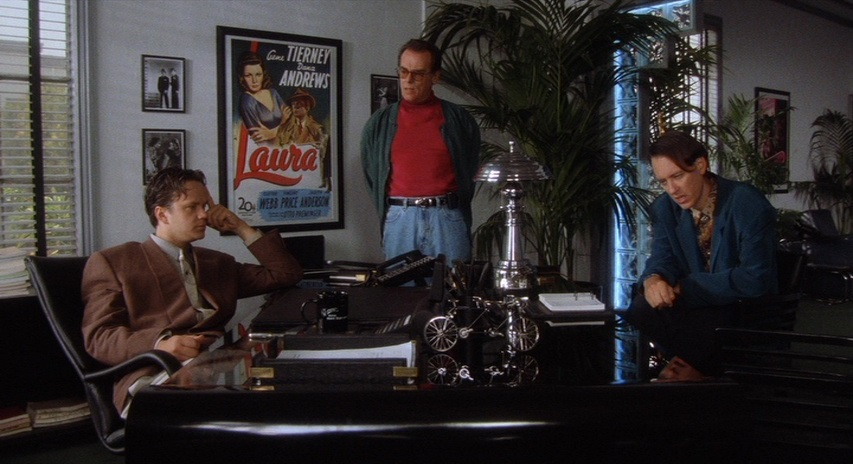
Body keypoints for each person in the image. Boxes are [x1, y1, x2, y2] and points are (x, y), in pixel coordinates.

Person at [81, 167, 303, 416]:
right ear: (162, 214)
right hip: (158, 377)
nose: (204, 215)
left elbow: (285, 274)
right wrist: (160, 343)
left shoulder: (217, 263)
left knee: (291, 396)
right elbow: (99, 338)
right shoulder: (115, 262)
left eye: (205, 206)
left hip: (219, 369)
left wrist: (240, 227)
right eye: (191, 207)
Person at [622, 130, 778, 381]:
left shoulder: (746, 202)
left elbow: (754, 278)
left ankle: (689, 371)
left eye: (678, 176)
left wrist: (685, 287)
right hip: (699, 307)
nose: (672, 189)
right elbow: (662, 258)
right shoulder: (665, 208)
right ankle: (693, 370)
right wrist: (653, 279)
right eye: (663, 182)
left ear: (701, 165)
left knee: (704, 324)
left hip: (741, 306)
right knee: (641, 307)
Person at [361, 38, 481, 263]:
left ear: (435, 77)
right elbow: (371, 174)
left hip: (447, 217)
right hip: (400, 218)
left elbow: (471, 167)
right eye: (403, 71)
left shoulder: (459, 120)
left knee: (453, 283)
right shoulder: (379, 123)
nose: (408, 80)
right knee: (400, 285)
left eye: (418, 74)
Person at [278, 88, 329, 189]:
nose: (295, 108)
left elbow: (324, 152)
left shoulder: (317, 128)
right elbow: (279, 146)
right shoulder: (285, 129)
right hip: (290, 174)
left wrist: (318, 147)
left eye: (299, 105)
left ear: (307, 107)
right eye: (293, 105)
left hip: (310, 176)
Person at [237, 51, 286, 145]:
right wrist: (283, 123)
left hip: (288, 146)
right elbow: (259, 137)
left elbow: (293, 124)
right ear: (242, 77)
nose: (254, 80)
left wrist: (272, 133)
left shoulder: (273, 93)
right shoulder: (246, 100)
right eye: (248, 75)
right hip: (268, 150)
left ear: (264, 74)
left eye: (258, 74)